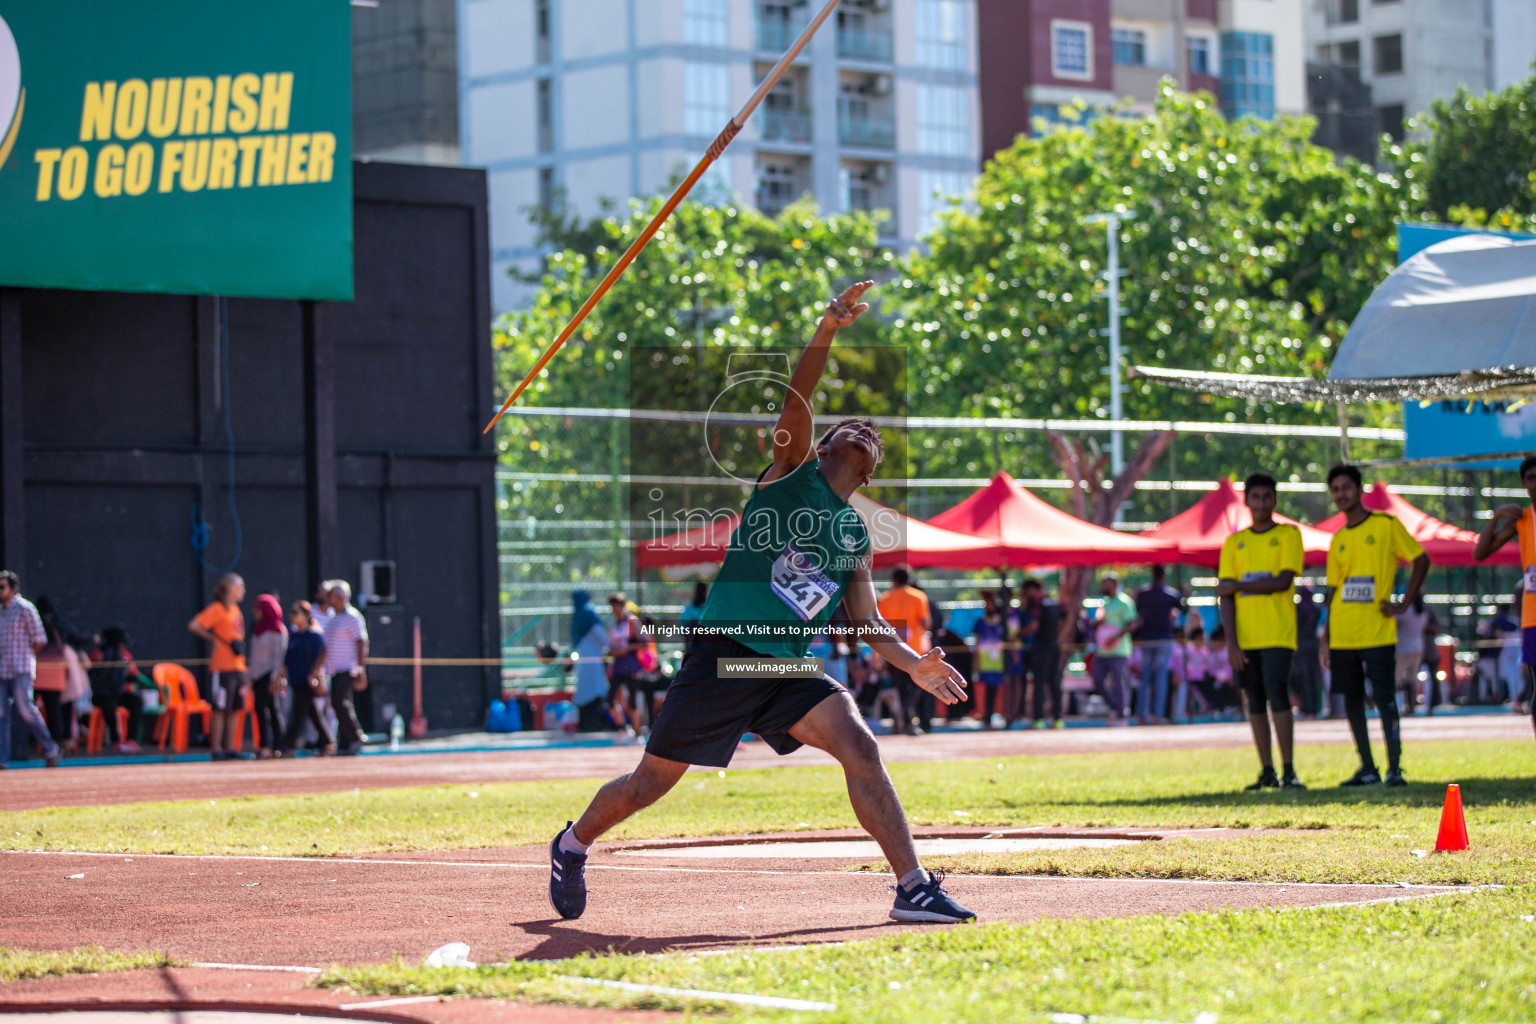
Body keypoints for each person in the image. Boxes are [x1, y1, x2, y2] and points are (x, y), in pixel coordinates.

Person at [546, 281, 975, 925]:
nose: (861, 429)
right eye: (846, 428)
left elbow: (866, 621)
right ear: (825, 448)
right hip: (725, 656)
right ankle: (572, 844)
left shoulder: (856, 533)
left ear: (869, 472)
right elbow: (797, 399)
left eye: (871, 436)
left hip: (784, 668)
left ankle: (912, 887)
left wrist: (913, 663)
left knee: (860, 746)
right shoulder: (787, 477)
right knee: (647, 786)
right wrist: (828, 325)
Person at [1323, 465, 1430, 787]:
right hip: (1343, 635)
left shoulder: (1385, 525)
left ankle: (1394, 768)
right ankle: (1367, 767)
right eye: (1336, 490)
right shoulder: (1338, 538)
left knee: (1385, 699)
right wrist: (1324, 639)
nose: (1341, 494)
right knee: (1352, 701)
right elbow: (1332, 593)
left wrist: (1404, 603)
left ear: (1359, 489)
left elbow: (1421, 559)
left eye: (1346, 487)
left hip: (1378, 632)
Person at [1217, 471, 1307, 790]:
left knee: (1277, 691)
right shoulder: (1233, 543)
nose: (1261, 502)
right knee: (1253, 699)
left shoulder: (1288, 535)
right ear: (1246, 501)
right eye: (1255, 497)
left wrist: (1239, 585)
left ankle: (1289, 769)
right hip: (1246, 638)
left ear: (1275, 500)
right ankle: (1266, 770)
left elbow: (1282, 581)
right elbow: (1224, 597)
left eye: (1267, 496)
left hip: (1278, 634)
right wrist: (1231, 643)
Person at [1472, 452, 1536, 742]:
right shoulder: (1522, 520)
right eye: (1532, 478)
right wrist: (1496, 516)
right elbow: (1480, 553)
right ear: (1524, 483)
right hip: (1532, 619)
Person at [0, 570, 61, 767]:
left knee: (26, 709)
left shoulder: (25, 608)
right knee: (0, 714)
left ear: (13, 588)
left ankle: (51, 749)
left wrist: (26, 656)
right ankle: (2, 758)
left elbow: (40, 639)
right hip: (1, 670)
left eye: (2, 587)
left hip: (21, 668)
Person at [188, 573, 250, 761]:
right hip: (222, 667)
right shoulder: (217, 608)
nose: (243, 591)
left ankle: (230, 747)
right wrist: (212, 639)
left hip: (237, 666)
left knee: (234, 709)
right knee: (220, 708)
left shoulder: (235, 610)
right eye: (240, 587)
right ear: (230, 589)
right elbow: (194, 625)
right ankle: (216, 748)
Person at [878, 567, 933, 735]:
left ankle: (906, 720)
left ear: (893, 580)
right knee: (918, 684)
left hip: (893, 649)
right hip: (915, 649)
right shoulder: (918, 596)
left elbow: (880, 626)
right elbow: (925, 623)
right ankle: (907, 716)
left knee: (900, 687)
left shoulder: (885, 598)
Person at [320, 581, 370, 755]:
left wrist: (360, 668)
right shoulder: (335, 617)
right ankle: (345, 742)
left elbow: (362, 642)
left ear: (340, 597)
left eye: (330, 595)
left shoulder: (352, 616)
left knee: (340, 701)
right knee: (338, 702)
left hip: (348, 667)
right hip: (335, 669)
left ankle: (356, 737)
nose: (327, 598)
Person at [278, 600, 332, 755]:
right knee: (312, 713)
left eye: (296, 613)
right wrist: (283, 677)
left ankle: (288, 745)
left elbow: (321, 656)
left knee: (299, 713)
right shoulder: (294, 636)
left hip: (308, 680)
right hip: (296, 679)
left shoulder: (314, 635)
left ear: (307, 615)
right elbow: (287, 659)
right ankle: (327, 742)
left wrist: (315, 675)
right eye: (291, 613)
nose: (292, 616)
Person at [1133, 565, 1184, 725]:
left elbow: (1136, 611)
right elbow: (1185, 609)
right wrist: (1184, 594)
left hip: (1147, 638)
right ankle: (1158, 715)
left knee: (1145, 677)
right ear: (1164, 576)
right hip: (1163, 638)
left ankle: (1141, 714)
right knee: (1161, 677)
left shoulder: (1143, 594)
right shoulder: (1170, 594)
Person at [88, 626, 146, 753]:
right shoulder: (98, 655)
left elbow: (135, 674)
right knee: (109, 704)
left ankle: (131, 740)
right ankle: (116, 741)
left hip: (119, 692)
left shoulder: (125, 656)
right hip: (101, 695)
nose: (123, 646)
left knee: (136, 701)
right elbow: (93, 676)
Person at [247, 595, 289, 758]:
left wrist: (275, 678)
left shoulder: (278, 630)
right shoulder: (257, 629)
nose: (254, 612)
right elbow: (254, 656)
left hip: (270, 676)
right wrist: (250, 677)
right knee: (266, 709)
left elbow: (280, 656)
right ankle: (270, 745)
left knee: (268, 709)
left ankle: (273, 745)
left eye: (258, 609)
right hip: (258, 676)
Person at [1092, 573, 1137, 722]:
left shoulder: (1124, 602)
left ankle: (1121, 712)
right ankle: (1114, 706)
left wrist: (1114, 638)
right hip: (1102, 650)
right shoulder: (1104, 603)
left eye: (1106, 583)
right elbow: (1099, 622)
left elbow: (1131, 624)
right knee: (1097, 679)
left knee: (1119, 681)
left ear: (1115, 584)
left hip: (1119, 650)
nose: (1103, 586)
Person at [606, 594, 650, 736]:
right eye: (612, 606)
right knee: (610, 699)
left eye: (617, 605)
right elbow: (612, 646)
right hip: (618, 666)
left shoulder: (631, 622)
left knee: (633, 699)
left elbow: (644, 642)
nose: (615, 609)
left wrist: (627, 648)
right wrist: (613, 652)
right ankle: (622, 727)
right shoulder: (613, 625)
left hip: (632, 665)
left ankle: (637, 732)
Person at [570, 590, 613, 732]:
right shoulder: (589, 612)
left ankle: (586, 724)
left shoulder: (576, 615)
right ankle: (594, 724)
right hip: (593, 659)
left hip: (582, 658)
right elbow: (603, 638)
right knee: (595, 690)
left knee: (585, 691)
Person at [1024, 579, 1064, 729]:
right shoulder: (1054, 602)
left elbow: (1034, 626)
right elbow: (1063, 621)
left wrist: (1018, 635)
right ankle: (1058, 719)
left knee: (1039, 683)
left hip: (1041, 647)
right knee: (1055, 683)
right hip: (1054, 645)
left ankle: (1038, 720)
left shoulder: (1038, 604)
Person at [972, 591, 1007, 728]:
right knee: (988, 691)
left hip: (999, 661)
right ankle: (987, 715)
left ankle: (999, 714)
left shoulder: (1002, 622)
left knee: (997, 689)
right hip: (985, 661)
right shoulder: (980, 623)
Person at [1291, 584, 1324, 717]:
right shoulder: (1316, 610)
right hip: (1313, 645)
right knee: (1313, 678)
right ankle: (1314, 707)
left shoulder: (1299, 610)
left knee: (1303, 678)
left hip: (1302, 646)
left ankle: (1307, 708)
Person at [1395, 595, 1429, 715]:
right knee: (1412, 680)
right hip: (1417, 648)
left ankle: (1394, 705)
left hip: (1402, 648)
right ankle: (1411, 707)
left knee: (1396, 679)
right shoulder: (1423, 612)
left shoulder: (1405, 611)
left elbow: (1394, 620)